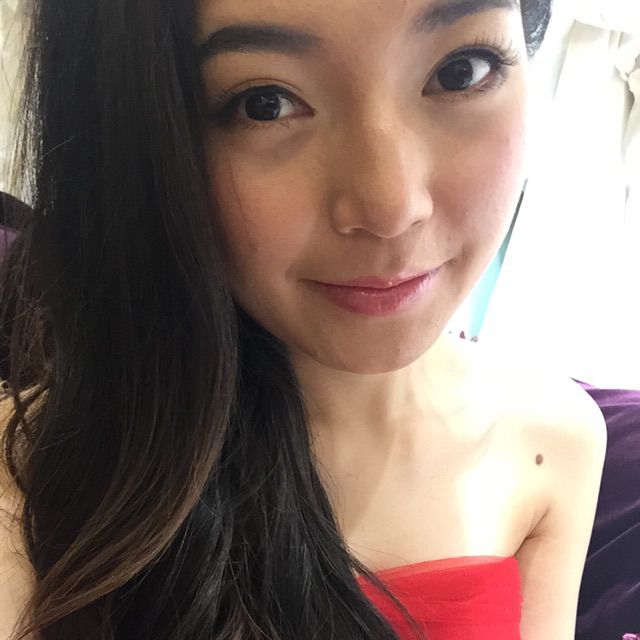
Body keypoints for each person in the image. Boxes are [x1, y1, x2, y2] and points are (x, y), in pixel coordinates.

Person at [0, 0, 608, 638]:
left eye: (462, 70)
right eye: (264, 104)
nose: (391, 206)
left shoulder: (553, 441)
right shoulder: (30, 488)